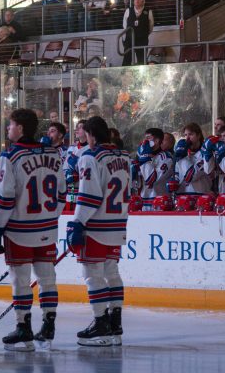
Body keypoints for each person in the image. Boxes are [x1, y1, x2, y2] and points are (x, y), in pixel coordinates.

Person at [0, 109, 64, 351]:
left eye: (10, 125)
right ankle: (49, 326)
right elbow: (62, 194)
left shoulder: (10, 157)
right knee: (47, 278)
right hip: (46, 228)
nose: (8, 129)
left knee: (20, 280)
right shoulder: (54, 154)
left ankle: (23, 327)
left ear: (20, 128)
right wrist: (49, 217)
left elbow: (5, 198)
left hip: (19, 230)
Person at [67, 116, 130, 347]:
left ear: (91, 135)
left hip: (95, 226)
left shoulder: (90, 156)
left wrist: (77, 223)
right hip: (117, 223)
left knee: (92, 275)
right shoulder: (124, 157)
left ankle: (101, 323)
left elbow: (89, 196)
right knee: (112, 272)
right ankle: (115, 325)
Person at [171, 123, 215, 196]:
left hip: (200, 197)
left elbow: (190, 177)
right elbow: (176, 175)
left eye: (191, 134)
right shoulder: (182, 152)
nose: (187, 138)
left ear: (198, 136)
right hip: (181, 196)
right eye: (185, 135)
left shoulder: (205, 153)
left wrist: (182, 157)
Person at [135, 127, 175, 202]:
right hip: (143, 201)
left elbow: (151, 179)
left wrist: (144, 159)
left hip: (159, 202)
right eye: (145, 138)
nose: (145, 141)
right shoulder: (143, 155)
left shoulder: (166, 158)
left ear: (156, 141)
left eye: (148, 138)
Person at [122, 0, 154, 65]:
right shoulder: (128, 10)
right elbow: (124, 25)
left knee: (142, 60)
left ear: (143, 1)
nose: (137, 1)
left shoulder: (149, 12)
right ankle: (123, 75)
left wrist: (144, 34)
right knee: (126, 59)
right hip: (129, 39)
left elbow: (151, 26)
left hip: (142, 40)